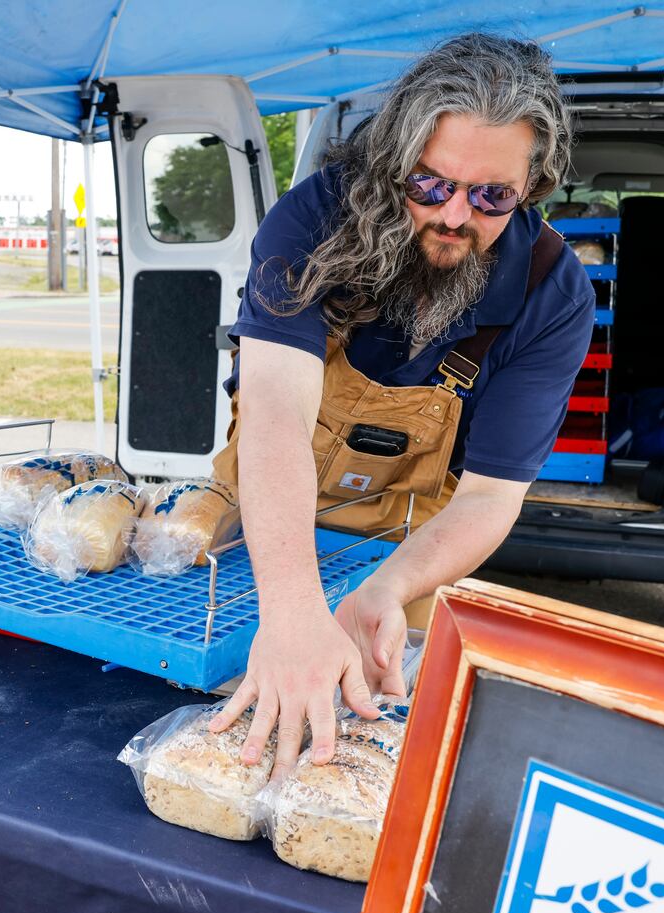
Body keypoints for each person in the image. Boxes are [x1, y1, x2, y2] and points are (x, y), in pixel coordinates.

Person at [207, 34, 594, 775]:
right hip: (262, 515)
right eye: (428, 184)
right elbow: (276, 414)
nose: (452, 216)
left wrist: (385, 589)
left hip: (406, 545)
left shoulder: (553, 292)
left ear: (532, 185)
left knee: (351, 758)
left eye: (490, 196)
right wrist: (289, 612)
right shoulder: (316, 217)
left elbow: (487, 496)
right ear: (394, 163)